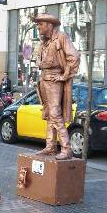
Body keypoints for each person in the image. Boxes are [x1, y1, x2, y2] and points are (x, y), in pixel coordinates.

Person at [33, 13, 80, 160]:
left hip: (54, 80)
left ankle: (66, 149)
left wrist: (64, 76)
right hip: (44, 79)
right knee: (48, 114)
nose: (38, 26)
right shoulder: (43, 42)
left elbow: (74, 57)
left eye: (41, 24)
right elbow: (38, 60)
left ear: (49, 25)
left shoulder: (61, 37)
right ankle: (50, 146)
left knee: (54, 113)